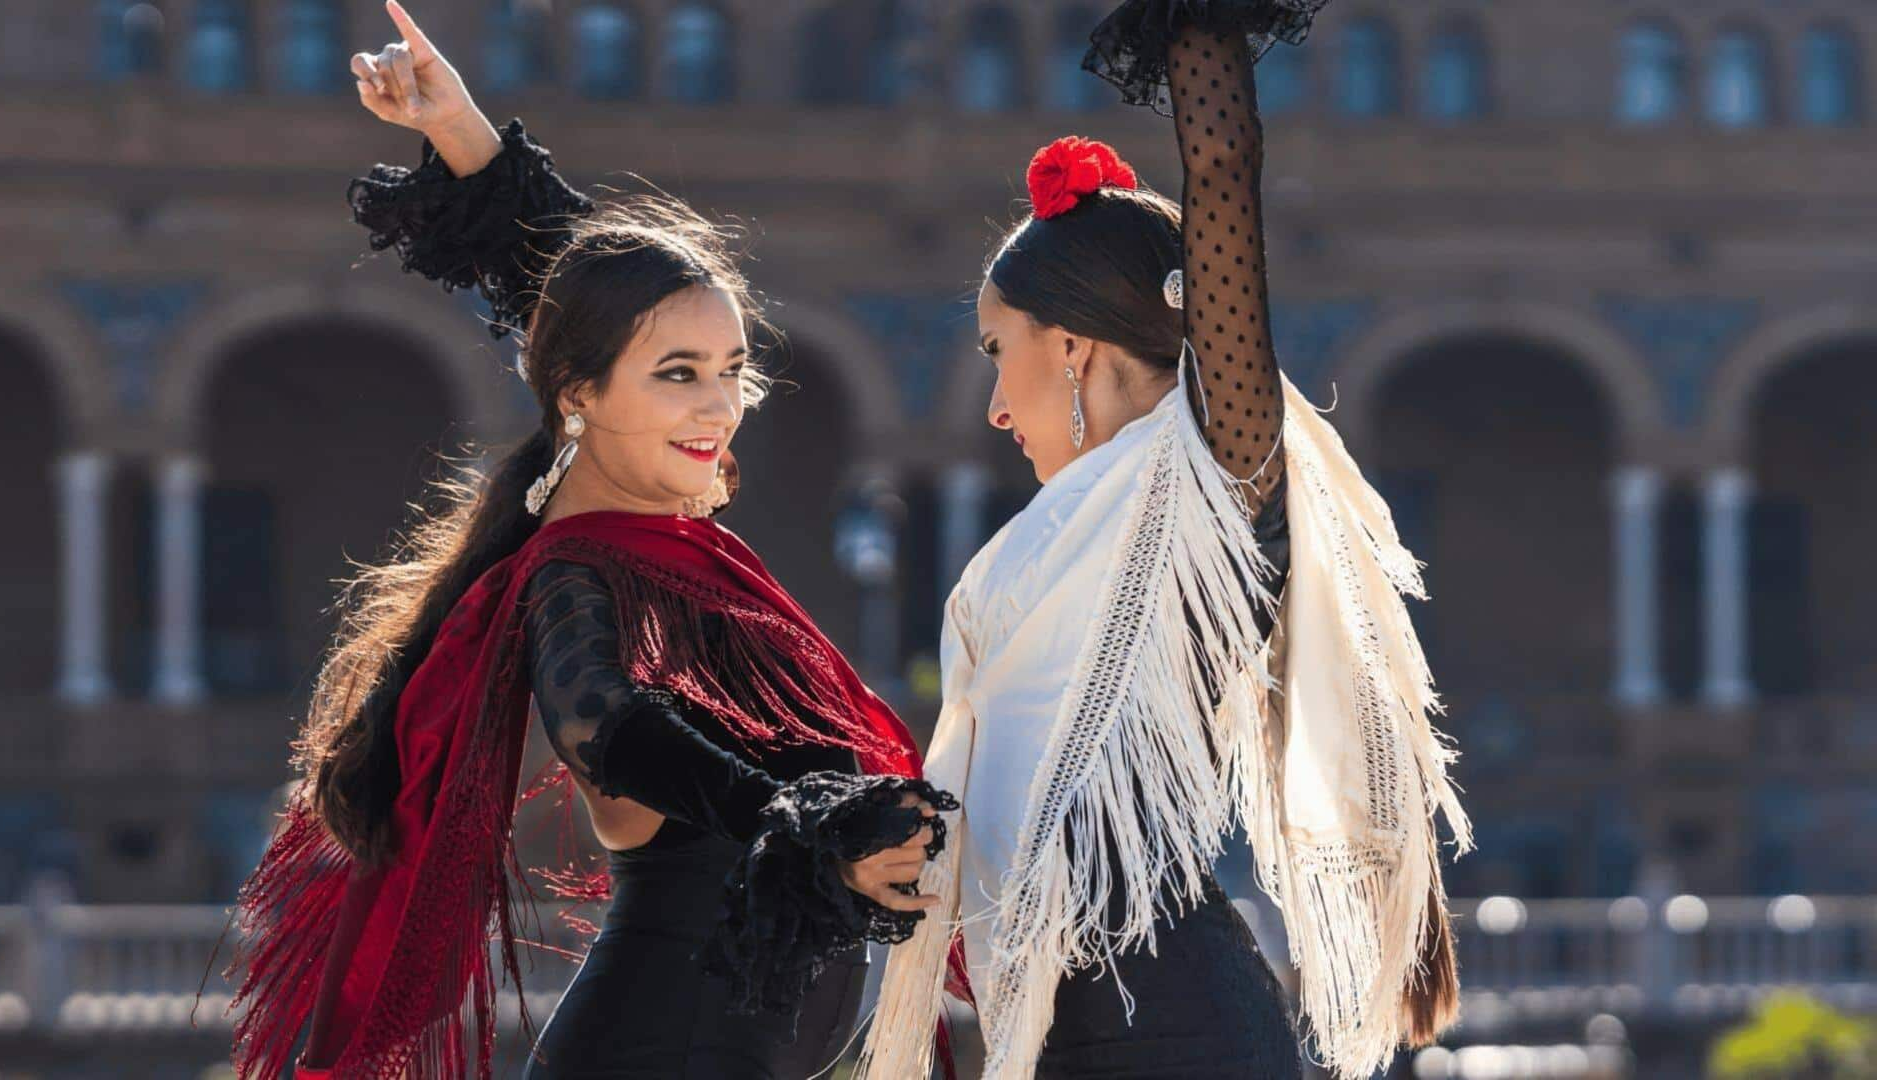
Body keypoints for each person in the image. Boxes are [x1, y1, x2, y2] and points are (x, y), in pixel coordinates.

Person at [220, 6, 954, 1077]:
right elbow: (610, 724)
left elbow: (590, 290)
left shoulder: (674, 554)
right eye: (676, 376)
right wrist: (800, 814)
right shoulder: (578, 573)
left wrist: (468, 138)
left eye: (727, 369)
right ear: (577, 397)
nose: (718, 408)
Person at [859, 3, 1474, 1078]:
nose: (996, 404)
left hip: (1173, 1028)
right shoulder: (1044, 544)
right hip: (1071, 1019)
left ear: (1072, 348)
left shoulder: (1216, 489)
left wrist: (1194, 31)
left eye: (997, 352)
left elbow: (1225, 172)